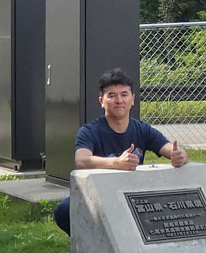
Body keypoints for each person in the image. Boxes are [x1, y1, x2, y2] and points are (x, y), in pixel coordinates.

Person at [54, 68, 189, 235]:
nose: (119, 100)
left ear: (132, 99)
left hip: (134, 194)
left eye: (124, 94)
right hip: (99, 194)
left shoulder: (142, 129)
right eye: (111, 95)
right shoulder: (89, 131)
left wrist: (180, 155)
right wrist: (116, 163)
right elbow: (81, 160)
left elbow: (170, 149)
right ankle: (93, 247)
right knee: (64, 210)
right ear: (101, 101)